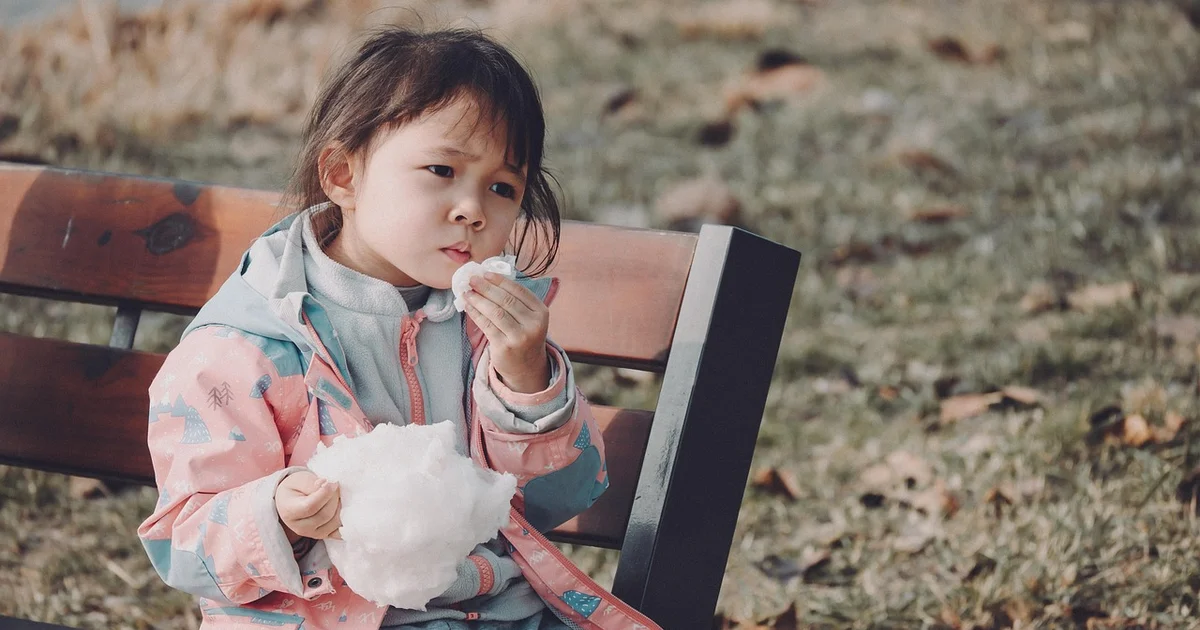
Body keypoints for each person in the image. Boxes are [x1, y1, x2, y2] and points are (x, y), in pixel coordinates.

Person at [138, 27, 659, 630]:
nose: (473, 208)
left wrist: (528, 386)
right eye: (442, 169)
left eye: (502, 187)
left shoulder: (487, 331)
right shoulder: (244, 350)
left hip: (491, 614)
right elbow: (183, 543)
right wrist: (273, 512)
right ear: (342, 175)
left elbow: (551, 502)